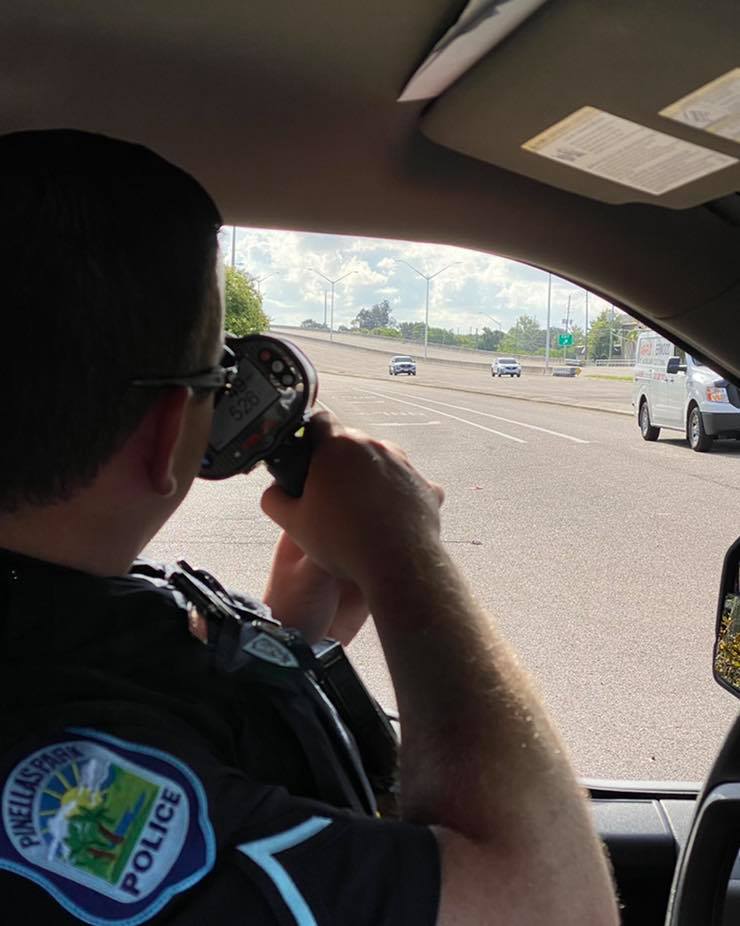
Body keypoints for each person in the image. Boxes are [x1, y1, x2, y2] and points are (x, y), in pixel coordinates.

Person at [0, 129, 619, 925]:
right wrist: (403, 554)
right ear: (165, 432)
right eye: (219, 374)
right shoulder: (54, 769)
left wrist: (286, 637)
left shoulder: (49, 634)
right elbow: (556, 910)